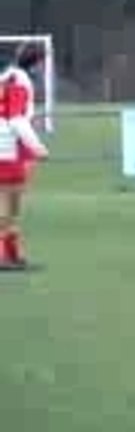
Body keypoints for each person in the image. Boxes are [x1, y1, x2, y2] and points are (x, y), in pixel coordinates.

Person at [0, 43, 49, 270]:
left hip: (6, 140)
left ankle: (11, 253)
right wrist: (38, 147)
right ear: (37, 62)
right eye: (42, 62)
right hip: (8, 143)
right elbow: (16, 119)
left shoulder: (8, 75)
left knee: (10, 202)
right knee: (11, 202)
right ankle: (5, 255)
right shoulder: (21, 81)